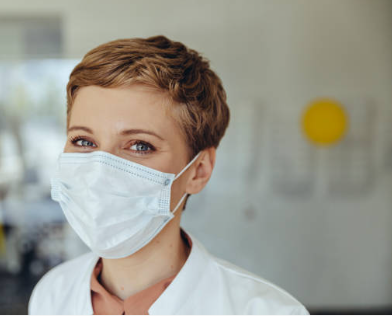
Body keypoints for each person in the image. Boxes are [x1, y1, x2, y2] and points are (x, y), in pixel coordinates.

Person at [28, 35, 309, 315]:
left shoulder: (267, 310)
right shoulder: (52, 295)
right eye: (83, 141)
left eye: (140, 145)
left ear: (198, 171)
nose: (100, 171)